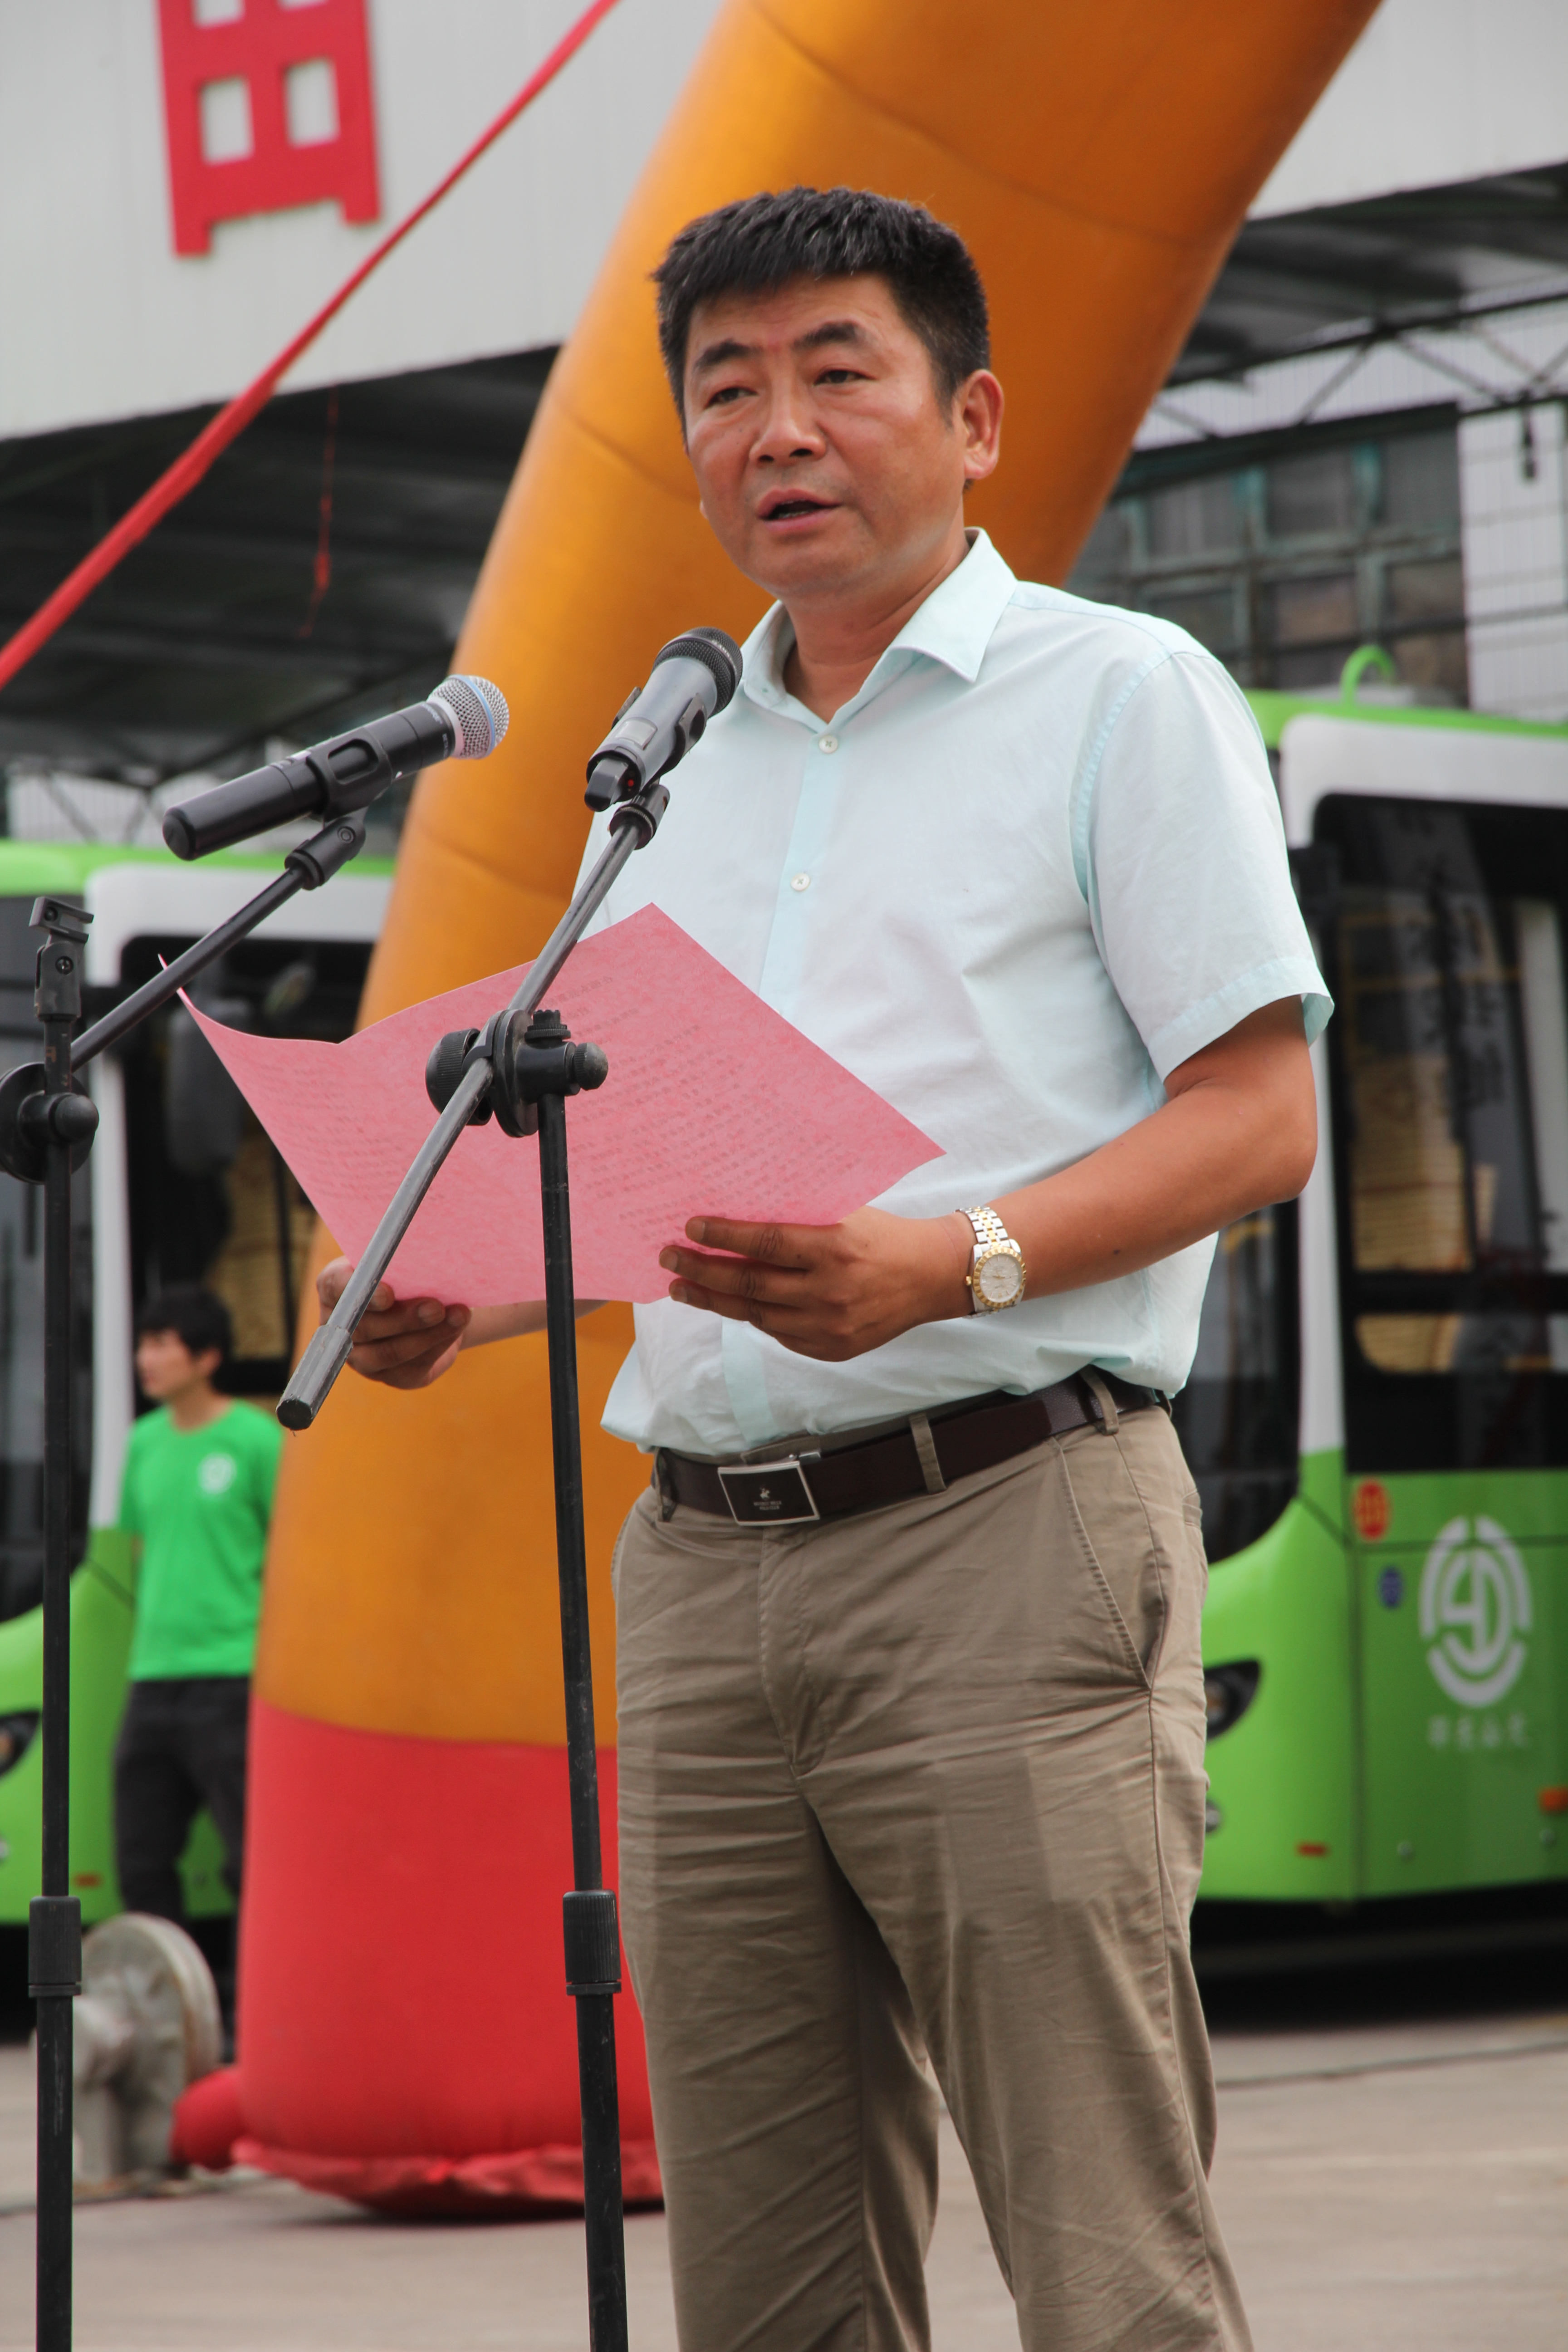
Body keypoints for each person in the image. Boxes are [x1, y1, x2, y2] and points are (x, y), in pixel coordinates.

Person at [320, 188, 1328, 2351]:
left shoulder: (1116, 694)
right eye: (725, 385)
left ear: (971, 419)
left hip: (1003, 1523)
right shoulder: (669, 764)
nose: (773, 426)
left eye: (833, 370)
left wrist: (949, 1262)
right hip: (697, 1572)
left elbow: (1260, 1115)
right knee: (765, 2283)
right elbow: (676, 1177)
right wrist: (468, 1290)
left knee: (1102, 2253)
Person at [114, 1285, 283, 1937]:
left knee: (251, 1858)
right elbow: (140, 1548)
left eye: (161, 1343)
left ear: (208, 1356)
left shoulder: (256, 1440)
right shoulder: (142, 1442)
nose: (145, 1359)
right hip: (152, 1678)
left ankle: (259, 1998)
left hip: (231, 1676)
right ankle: (169, 1994)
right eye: (142, 1344)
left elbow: (287, 1552)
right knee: (141, 1858)